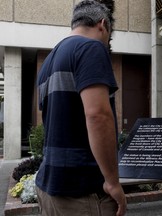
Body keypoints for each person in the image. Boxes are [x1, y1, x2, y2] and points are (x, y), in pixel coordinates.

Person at [35, 1, 127, 215]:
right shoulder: (91, 47)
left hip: (50, 188)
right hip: (82, 191)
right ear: (102, 25)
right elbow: (98, 116)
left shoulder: (48, 62)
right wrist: (112, 182)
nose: (107, 44)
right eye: (108, 37)